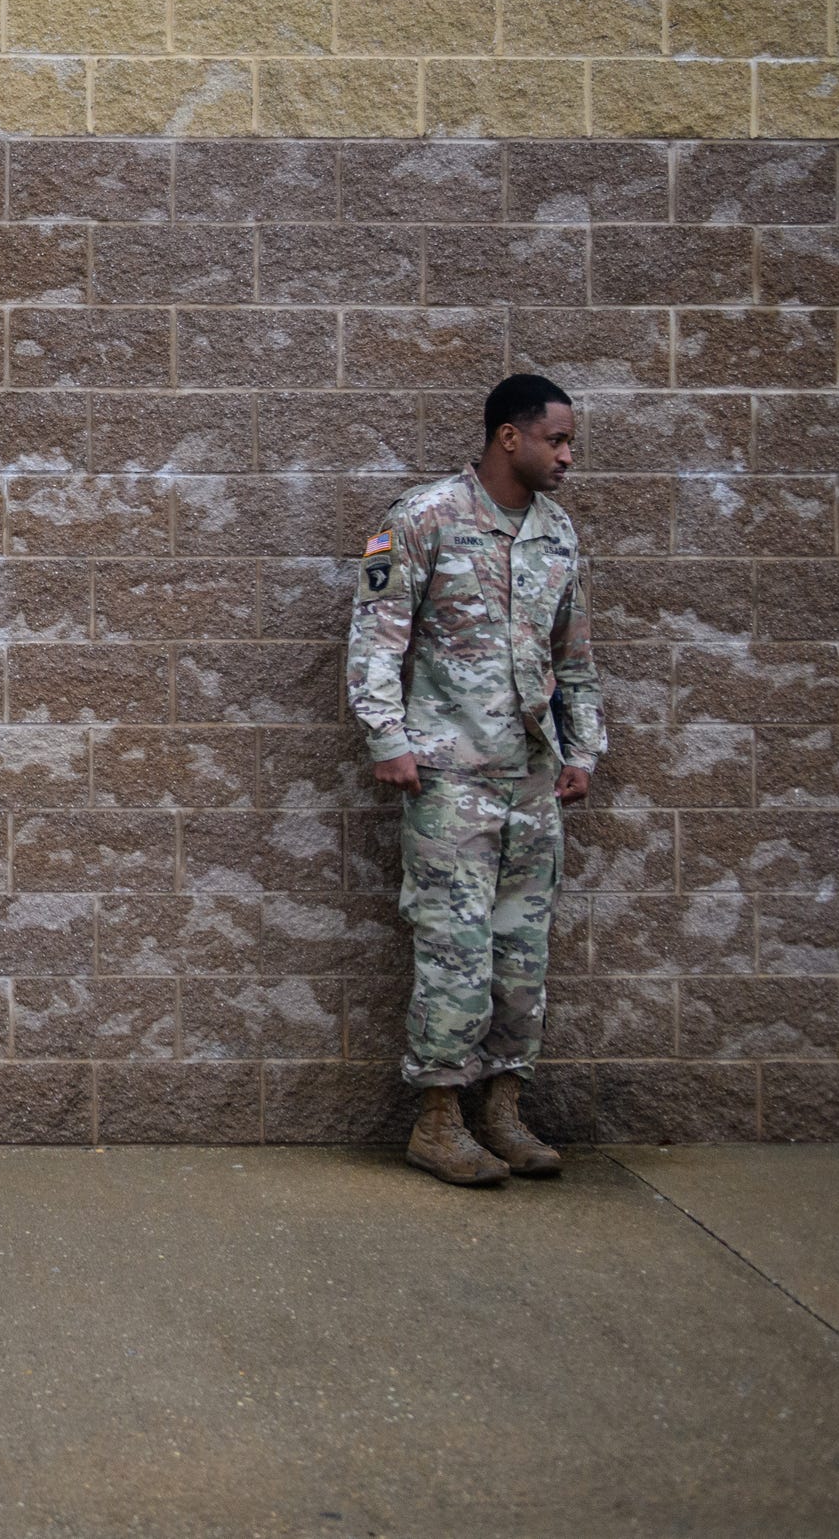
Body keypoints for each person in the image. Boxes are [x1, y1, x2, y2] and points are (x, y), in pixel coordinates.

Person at [345, 375, 606, 1186]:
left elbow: (576, 658)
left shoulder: (557, 533)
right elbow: (376, 637)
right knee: (453, 953)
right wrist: (386, 735)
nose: (567, 456)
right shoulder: (423, 518)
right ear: (509, 438)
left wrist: (583, 749)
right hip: (450, 780)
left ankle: (503, 1109)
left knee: (521, 957)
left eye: (569, 442)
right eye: (556, 440)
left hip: (532, 784)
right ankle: (437, 1121)